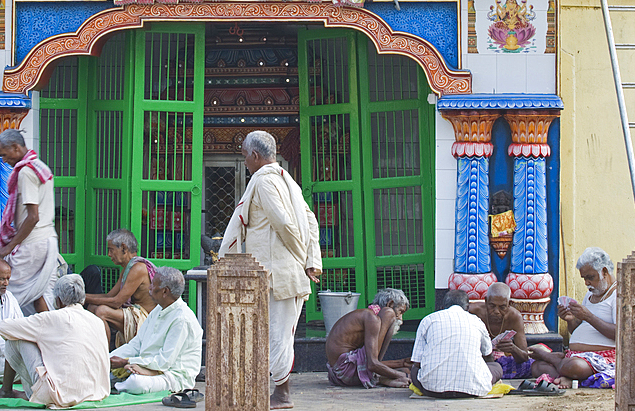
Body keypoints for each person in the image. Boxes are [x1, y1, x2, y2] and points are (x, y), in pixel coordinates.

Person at [219, 130, 322, 409]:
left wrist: (304, 261)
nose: (245, 163)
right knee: (273, 334)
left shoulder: (265, 181)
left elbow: (284, 224)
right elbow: (310, 221)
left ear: (254, 155)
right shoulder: (287, 179)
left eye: (244, 156)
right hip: (277, 274)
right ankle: (269, 390)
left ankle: (282, 394)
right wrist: (313, 261)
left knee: (277, 335)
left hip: (278, 275)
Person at [0, 274, 110, 408]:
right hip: (96, 393)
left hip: (59, 396)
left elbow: (4, 328)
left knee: (16, 337)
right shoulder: (97, 321)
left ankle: (6, 391)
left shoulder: (52, 317)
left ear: (58, 300)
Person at [0, 129, 65, 315]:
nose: (4, 160)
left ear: (16, 148)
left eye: (4, 154)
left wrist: (9, 247)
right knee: (41, 293)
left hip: (33, 243)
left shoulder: (26, 172)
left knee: (7, 292)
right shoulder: (40, 166)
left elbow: (33, 217)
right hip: (48, 240)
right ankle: (45, 335)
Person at [529, 247, 617, 388]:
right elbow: (578, 330)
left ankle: (554, 359)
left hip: (601, 357)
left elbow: (618, 334)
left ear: (604, 272)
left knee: (575, 366)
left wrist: (588, 316)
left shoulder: (618, 295)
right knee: (537, 367)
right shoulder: (590, 295)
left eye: (590, 277)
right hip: (575, 356)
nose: (587, 283)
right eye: (584, 278)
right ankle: (569, 377)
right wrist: (570, 319)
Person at [109, 267, 202, 396]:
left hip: (172, 376)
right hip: (144, 365)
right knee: (104, 365)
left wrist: (127, 362)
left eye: (153, 284)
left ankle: (116, 385)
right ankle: (117, 381)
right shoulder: (159, 309)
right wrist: (108, 359)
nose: (149, 288)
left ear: (165, 291)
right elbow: (136, 344)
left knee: (136, 383)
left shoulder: (182, 319)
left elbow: (164, 362)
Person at [409, 290, 501, 398]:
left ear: (443, 306)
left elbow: (417, 363)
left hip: (432, 389)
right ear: (467, 307)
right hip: (474, 389)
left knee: (414, 371)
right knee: (496, 366)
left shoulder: (428, 320)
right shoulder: (477, 322)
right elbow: (488, 356)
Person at [324, 288, 411, 388]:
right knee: (389, 314)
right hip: (346, 372)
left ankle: (381, 377)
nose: (400, 318)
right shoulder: (371, 318)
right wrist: (404, 376)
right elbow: (372, 364)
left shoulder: (368, 316)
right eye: (400, 312)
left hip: (338, 374)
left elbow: (373, 361)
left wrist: (402, 363)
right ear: (390, 304)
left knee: (404, 369)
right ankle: (380, 378)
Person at [82, 229, 157, 345]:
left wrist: (83, 298)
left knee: (102, 311)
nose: (109, 255)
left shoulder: (138, 269)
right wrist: (82, 296)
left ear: (124, 248)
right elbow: (109, 296)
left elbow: (116, 302)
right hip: (134, 315)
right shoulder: (127, 269)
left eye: (111, 250)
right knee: (92, 307)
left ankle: (106, 355)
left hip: (145, 320)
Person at [469, 281, 533, 380]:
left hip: (501, 363)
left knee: (532, 366)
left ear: (509, 304)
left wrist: (513, 349)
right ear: (486, 301)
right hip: (476, 360)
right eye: (492, 306)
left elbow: (524, 357)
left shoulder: (515, 317)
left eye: (502, 307)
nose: (496, 312)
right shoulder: (473, 311)